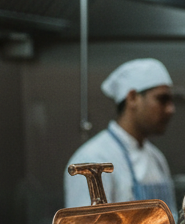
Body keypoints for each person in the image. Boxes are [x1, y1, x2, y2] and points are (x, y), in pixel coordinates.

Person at [63, 58, 176, 210]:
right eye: (162, 99)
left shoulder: (157, 158)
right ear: (132, 98)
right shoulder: (91, 160)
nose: (170, 109)